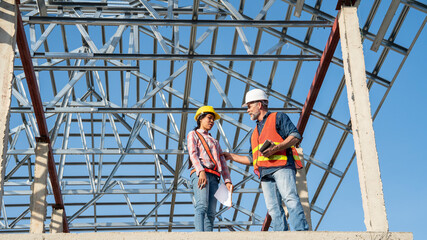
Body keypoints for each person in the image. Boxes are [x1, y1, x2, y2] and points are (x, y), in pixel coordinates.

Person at [222, 89, 308, 231]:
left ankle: (301, 233)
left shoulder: (278, 118)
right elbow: (251, 159)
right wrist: (230, 156)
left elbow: (295, 136)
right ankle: (281, 236)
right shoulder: (254, 133)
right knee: (273, 209)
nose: (248, 110)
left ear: (259, 105)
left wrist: (276, 148)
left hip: (282, 167)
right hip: (265, 174)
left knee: (290, 199)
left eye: (249, 106)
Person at [187, 106, 233, 232]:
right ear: (200, 118)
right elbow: (193, 154)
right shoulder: (193, 134)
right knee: (201, 205)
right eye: (209, 118)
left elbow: (222, 162)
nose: (212, 121)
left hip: (214, 176)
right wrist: (200, 171)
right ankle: (200, 235)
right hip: (201, 174)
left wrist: (228, 181)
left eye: (213, 119)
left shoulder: (215, 141)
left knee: (211, 212)